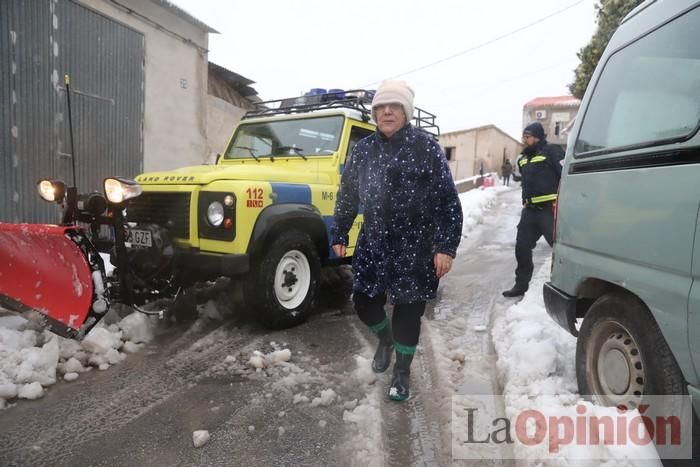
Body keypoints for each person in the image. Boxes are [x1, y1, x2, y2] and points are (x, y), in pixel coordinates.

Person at [331, 80, 463, 402]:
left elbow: (447, 200)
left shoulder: (426, 147)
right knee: (364, 304)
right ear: (374, 112)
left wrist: (445, 246)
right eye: (380, 106)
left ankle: (402, 372)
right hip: (373, 242)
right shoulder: (362, 150)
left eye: (394, 106)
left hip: (415, 245)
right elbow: (347, 195)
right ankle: (385, 340)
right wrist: (340, 231)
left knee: (407, 312)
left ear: (406, 111)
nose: (386, 111)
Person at [502, 122, 562, 298]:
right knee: (521, 248)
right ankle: (520, 286)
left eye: (527, 137)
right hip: (529, 211)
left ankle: (562, 286)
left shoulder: (552, 151)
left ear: (537, 137)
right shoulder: (524, 158)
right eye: (524, 137)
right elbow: (521, 177)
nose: (524, 140)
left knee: (559, 250)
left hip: (548, 210)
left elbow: (564, 175)